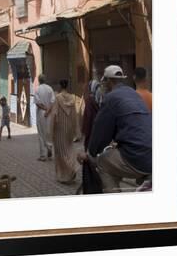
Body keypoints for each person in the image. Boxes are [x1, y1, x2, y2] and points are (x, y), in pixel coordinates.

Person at [77, 65, 152, 193]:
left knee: (103, 162)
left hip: (137, 156)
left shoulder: (111, 98)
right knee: (114, 160)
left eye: (104, 82)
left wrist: (90, 154)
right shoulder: (134, 94)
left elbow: (100, 132)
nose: (103, 85)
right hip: (153, 152)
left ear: (108, 81)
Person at [50, 79, 78, 183]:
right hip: (69, 128)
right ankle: (71, 169)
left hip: (60, 129)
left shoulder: (57, 98)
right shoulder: (72, 98)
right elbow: (75, 115)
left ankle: (65, 174)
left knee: (60, 152)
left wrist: (51, 130)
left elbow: (54, 115)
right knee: (69, 149)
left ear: (60, 86)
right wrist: (75, 129)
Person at [34, 74, 55, 161]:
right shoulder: (50, 88)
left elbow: (38, 103)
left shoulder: (37, 89)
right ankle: (49, 147)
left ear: (39, 80)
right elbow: (53, 102)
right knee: (48, 132)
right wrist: (48, 110)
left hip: (41, 113)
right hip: (49, 113)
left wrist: (45, 109)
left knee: (41, 134)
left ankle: (43, 155)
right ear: (45, 80)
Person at [81, 72, 103, 151]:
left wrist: (84, 130)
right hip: (98, 130)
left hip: (91, 129)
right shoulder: (100, 99)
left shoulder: (89, 101)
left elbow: (88, 116)